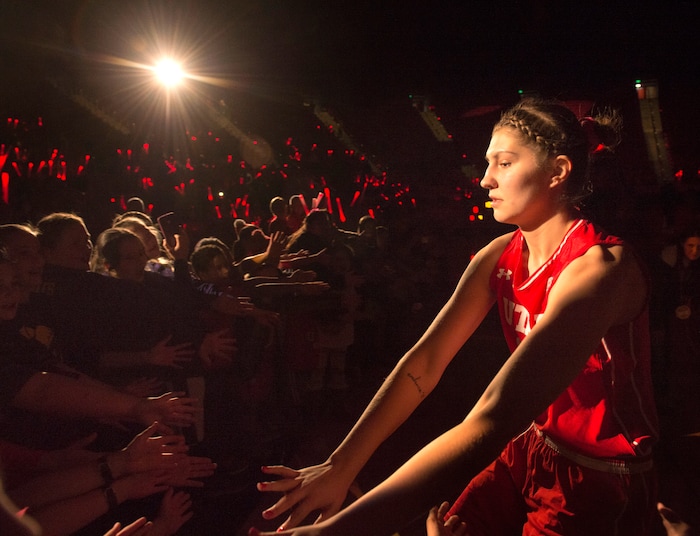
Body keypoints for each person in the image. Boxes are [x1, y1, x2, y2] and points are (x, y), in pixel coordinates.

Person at [252, 99, 659, 535]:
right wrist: (341, 465)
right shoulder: (499, 255)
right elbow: (423, 364)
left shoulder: (601, 270)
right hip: (532, 444)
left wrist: (343, 528)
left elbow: (493, 416)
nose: (485, 179)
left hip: (600, 472)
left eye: (504, 163)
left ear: (558, 171)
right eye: (488, 163)